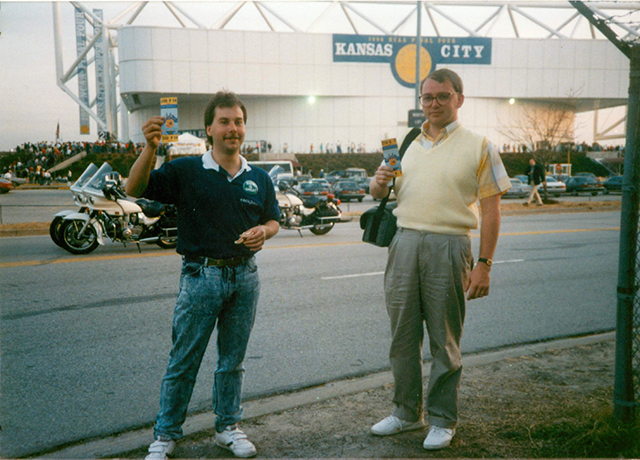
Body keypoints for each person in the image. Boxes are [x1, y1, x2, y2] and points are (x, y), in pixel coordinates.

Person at [126, 91, 280, 459]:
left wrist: (266, 232)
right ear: (209, 128)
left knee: (233, 360)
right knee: (184, 360)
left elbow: (272, 219)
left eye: (238, 122)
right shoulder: (186, 171)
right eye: (224, 122)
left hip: (245, 277)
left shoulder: (258, 176)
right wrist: (149, 148)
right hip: (200, 277)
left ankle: (228, 427)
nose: (233, 129)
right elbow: (134, 188)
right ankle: (164, 435)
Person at [369, 69, 511, 451]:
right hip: (404, 243)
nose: (433, 104)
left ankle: (443, 418)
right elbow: (379, 192)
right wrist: (380, 181)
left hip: (449, 246)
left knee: (444, 338)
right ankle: (404, 413)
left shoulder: (480, 146)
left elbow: (492, 210)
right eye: (427, 98)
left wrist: (484, 263)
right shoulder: (408, 143)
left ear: (459, 99)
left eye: (442, 97)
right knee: (402, 336)